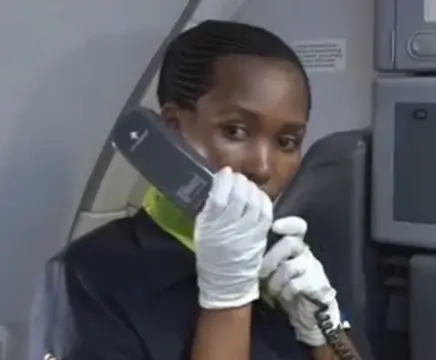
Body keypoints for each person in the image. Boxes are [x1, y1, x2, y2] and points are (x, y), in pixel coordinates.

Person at [29, 20, 360, 360]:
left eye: (286, 142)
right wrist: (226, 300)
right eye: (235, 131)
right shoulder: (89, 275)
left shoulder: (288, 262)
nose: (262, 166)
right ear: (172, 128)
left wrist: (325, 329)